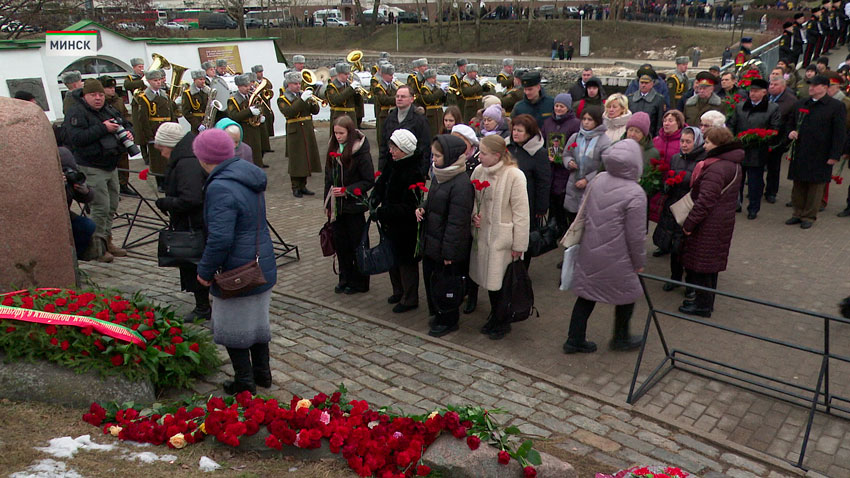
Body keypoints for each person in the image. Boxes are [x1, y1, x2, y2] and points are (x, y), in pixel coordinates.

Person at [194, 128, 277, 395]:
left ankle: (244, 381)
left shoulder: (220, 186)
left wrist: (205, 271)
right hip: (260, 260)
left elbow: (220, 238)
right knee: (257, 322)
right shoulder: (246, 174)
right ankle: (263, 374)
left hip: (236, 268)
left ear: (205, 158)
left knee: (234, 327)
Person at [563, 139, 647, 354]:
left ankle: (574, 339)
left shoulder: (598, 179)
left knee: (586, 294)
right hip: (619, 257)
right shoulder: (635, 193)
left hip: (591, 250)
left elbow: (586, 211)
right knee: (628, 294)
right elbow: (636, 235)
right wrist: (639, 262)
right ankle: (621, 338)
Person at [64, 78, 133, 263]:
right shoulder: (76, 112)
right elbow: (77, 138)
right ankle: (97, 249)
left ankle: (107, 241)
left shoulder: (107, 109)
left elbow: (124, 122)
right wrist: (103, 128)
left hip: (110, 165)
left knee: (111, 206)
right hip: (91, 166)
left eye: (100, 94)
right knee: (100, 208)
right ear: (85, 95)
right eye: (93, 95)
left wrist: (127, 131)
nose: (98, 98)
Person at [470, 135, 530, 340]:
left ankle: (502, 320)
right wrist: (474, 217)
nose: (479, 157)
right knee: (488, 280)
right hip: (483, 235)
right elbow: (474, 201)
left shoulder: (514, 175)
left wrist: (519, 244)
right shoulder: (479, 171)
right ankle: (495, 315)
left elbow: (522, 213)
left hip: (503, 238)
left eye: (484, 154)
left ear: (497, 155)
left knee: (503, 282)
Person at [679, 127, 743, 318]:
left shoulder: (717, 167)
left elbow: (705, 200)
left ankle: (702, 306)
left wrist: (689, 224)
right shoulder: (732, 163)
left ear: (718, 144)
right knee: (710, 266)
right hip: (721, 221)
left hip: (709, 223)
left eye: (707, 142)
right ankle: (704, 301)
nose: (704, 145)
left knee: (703, 266)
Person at [417, 135, 475, 337]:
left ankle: (449, 319)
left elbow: (457, 222)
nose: (433, 159)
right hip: (433, 239)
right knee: (434, 280)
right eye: (433, 155)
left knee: (447, 283)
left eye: (438, 155)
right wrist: (423, 208)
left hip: (447, 244)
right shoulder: (440, 175)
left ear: (450, 156)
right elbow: (433, 199)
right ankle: (439, 313)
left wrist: (449, 252)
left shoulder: (460, 183)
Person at [151, 123, 210, 320]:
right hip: (194, 222)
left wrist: (166, 202)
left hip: (194, 224)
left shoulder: (187, 163)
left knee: (195, 264)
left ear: (171, 144)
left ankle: (203, 308)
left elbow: (191, 198)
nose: (161, 154)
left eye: (162, 149)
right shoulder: (187, 157)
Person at [372, 129, 425, 313]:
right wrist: (374, 199)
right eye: (390, 146)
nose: (391, 151)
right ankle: (398, 290)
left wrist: (384, 211)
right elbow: (382, 183)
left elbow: (409, 207)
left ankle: (410, 298)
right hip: (390, 223)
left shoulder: (413, 171)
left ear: (405, 150)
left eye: (395, 147)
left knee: (405, 262)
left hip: (405, 227)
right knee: (391, 258)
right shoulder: (392, 163)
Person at [786, 75, 846, 228]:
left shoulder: (835, 107)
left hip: (821, 153)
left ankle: (809, 216)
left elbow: (839, 133)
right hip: (801, 151)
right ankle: (797, 213)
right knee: (798, 183)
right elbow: (790, 123)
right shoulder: (801, 103)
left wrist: (834, 155)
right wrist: (791, 132)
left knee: (815, 186)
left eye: (815, 85)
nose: (811, 88)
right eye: (810, 85)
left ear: (825, 88)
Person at [324, 116, 375, 295]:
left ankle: (360, 281)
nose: (338, 136)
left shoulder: (360, 151)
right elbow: (328, 179)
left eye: (341, 133)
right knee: (341, 245)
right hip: (338, 207)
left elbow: (369, 180)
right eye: (335, 133)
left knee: (357, 245)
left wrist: (348, 190)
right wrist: (327, 203)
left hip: (354, 206)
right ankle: (345, 277)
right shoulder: (333, 149)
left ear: (349, 132)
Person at [653, 126, 704, 292]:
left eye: (688, 142)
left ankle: (690, 283)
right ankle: (675, 277)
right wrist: (667, 185)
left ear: (696, 142)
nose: (684, 145)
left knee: (686, 247)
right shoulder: (676, 158)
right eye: (682, 141)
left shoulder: (702, 161)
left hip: (690, 206)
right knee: (675, 245)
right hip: (674, 205)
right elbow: (670, 175)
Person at [728, 78, 782, 220]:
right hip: (739, 149)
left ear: (764, 92)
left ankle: (753, 208)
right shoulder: (740, 107)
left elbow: (774, 129)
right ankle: (736, 204)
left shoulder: (772, 108)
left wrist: (761, 138)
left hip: (757, 151)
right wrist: (733, 139)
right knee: (737, 181)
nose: (752, 93)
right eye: (751, 91)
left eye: (756, 91)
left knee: (754, 183)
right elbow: (732, 125)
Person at [508, 114, 551, 255]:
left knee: (525, 236)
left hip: (528, 201)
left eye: (519, 131)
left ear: (529, 132)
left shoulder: (539, 153)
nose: (515, 133)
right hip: (508, 199)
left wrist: (541, 207)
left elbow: (543, 182)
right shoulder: (508, 147)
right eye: (514, 129)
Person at [277, 70, 322, 197]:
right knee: (297, 159)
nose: (298, 86)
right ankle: (295, 186)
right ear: (288, 84)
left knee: (307, 158)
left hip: (307, 129)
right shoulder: (283, 99)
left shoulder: (303, 95)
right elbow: (289, 112)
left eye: (299, 83)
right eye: (295, 84)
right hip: (295, 131)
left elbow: (315, 111)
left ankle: (303, 185)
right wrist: (302, 100)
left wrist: (313, 102)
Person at [563, 106, 611, 223]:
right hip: (574, 183)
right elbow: (566, 153)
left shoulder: (604, 141)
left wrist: (587, 179)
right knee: (572, 218)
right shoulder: (576, 137)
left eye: (590, 119)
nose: (586, 122)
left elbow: (605, 166)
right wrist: (569, 162)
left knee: (587, 220)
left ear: (597, 121)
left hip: (592, 187)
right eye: (584, 119)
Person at [132, 69, 178, 191]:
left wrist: (174, 127)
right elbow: (144, 119)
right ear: (148, 81)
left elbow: (172, 114)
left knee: (169, 158)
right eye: (155, 80)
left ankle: (170, 180)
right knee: (158, 160)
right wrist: (149, 136)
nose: (158, 83)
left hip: (167, 128)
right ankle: (160, 182)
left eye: (159, 80)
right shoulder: (145, 98)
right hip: (155, 130)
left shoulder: (165, 96)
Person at [542, 93, 580, 231]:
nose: (558, 109)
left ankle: (564, 227)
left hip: (565, 168)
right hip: (550, 165)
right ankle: (554, 226)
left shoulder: (575, 124)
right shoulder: (548, 122)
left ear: (568, 108)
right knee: (552, 197)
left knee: (562, 197)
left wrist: (564, 157)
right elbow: (543, 139)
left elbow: (577, 144)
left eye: (562, 106)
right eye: (556, 106)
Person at [380, 85, 431, 175]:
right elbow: (383, 145)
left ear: (411, 99)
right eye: (397, 96)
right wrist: (381, 169)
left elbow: (425, 147)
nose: (399, 99)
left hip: (412, 169)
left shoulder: (420, 119)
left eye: (403, 97)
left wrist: (423, 172)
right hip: (391, 168)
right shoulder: (390, 118)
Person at [98, 75, 135, 197]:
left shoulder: (118, 100)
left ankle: (124, 184)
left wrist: (130, 128)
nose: (112, 90)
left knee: (124, 160)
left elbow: (125, 115)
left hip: (122, 133)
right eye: (108, 88)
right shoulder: (102, 103)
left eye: (113, 87)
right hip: (109, 135)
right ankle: (114, 188)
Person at [764, 76, 798, 205]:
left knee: (774, 167)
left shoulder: (790, 101)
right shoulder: (765, 97)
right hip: (762, 137)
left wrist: (784, 141)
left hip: (778, 139)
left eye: (775, 84)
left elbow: (790, 122)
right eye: (771, 84)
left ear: (783, 87)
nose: (771, 86)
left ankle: (771, 192)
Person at [60, 147, 95, 260]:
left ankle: (76, 256)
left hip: (66, 216)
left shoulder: (71, 177)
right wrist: (59, 185)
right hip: (51, 217)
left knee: (88, 226)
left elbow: (87, 199)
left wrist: (86, 191)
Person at [226, 74, 266, 169]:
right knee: (247, 154)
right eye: (245, 86)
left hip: (254, 130)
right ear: (239, 87)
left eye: (248, 85)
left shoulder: (251, 96)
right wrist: (249, 111)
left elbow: (258, 108)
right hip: (243, 131)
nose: (248, 88)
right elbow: (233, 116)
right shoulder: (233, 100)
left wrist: (259, 116)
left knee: (257, 154)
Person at [628, 68, 665, 137]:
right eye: (642, 83)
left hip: (649, 136)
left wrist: (657, 136)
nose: (643, 85)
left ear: (652, 84)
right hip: (632, 135)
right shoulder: (631, 98)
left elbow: (659, 121)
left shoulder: (658, 99)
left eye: (646, 83)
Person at [327, 62, 358, 133]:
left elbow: (357, 103)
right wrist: (351, 89)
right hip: (339, 118)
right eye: (345, 74)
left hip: (351, 118)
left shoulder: (349, 85)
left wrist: (357, 93)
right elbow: (336, 100)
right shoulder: (331, 86)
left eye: (348, 74)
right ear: (338, 74)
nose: (348, 76)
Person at [372, 63, 398, 147]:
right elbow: (384, 100)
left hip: (393, 114)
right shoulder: (379, 88)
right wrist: (399, 98)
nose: (392, 77)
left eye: (392, 75)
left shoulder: (392, 86)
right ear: (383, 75)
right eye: (390, 75)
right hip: (384, 115)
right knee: (383, 139)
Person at [182, 70, 210, 135]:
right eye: (200, 79)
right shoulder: (188, 93)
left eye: (204, 79)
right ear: (194, 80)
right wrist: (198, 125)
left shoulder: (208, 91)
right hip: (197, 125)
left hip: (209, 123)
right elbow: (186, 112)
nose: (203, 81)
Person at [420, 69, 446, 137]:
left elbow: (443, 101)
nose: (435, 79)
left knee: (440, 131)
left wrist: (445, 93)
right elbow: (430, 99)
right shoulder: (424, 88)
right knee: (432, 133)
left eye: (435, 77)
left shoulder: (436, 87)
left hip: (439, 113)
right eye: (433, 78)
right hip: (431, 114)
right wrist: (441, 91)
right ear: (428, 79)